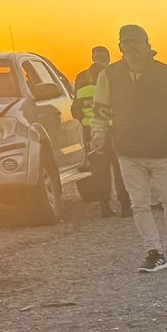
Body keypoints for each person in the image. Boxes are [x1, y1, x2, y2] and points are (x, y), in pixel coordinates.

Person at [90, 24, 167, 273]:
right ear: (120, 47)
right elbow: (100, 110)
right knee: (139, 204)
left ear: (148, 46)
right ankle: (154, 253)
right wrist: (98, 135)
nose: (132, 48)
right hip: (128, 151)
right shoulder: (109, 76)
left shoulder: (165, 74)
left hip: (163, 151)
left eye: (136, 43)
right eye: (126, 43)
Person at [73, 45, 129, 217]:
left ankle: (105, 207)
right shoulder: (114, 82)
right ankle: (126, 207)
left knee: (99, 172)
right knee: (121, 170)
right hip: (114, 132)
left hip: (91, 133)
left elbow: (75, 111)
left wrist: (86, 122)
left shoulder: (81, 84)